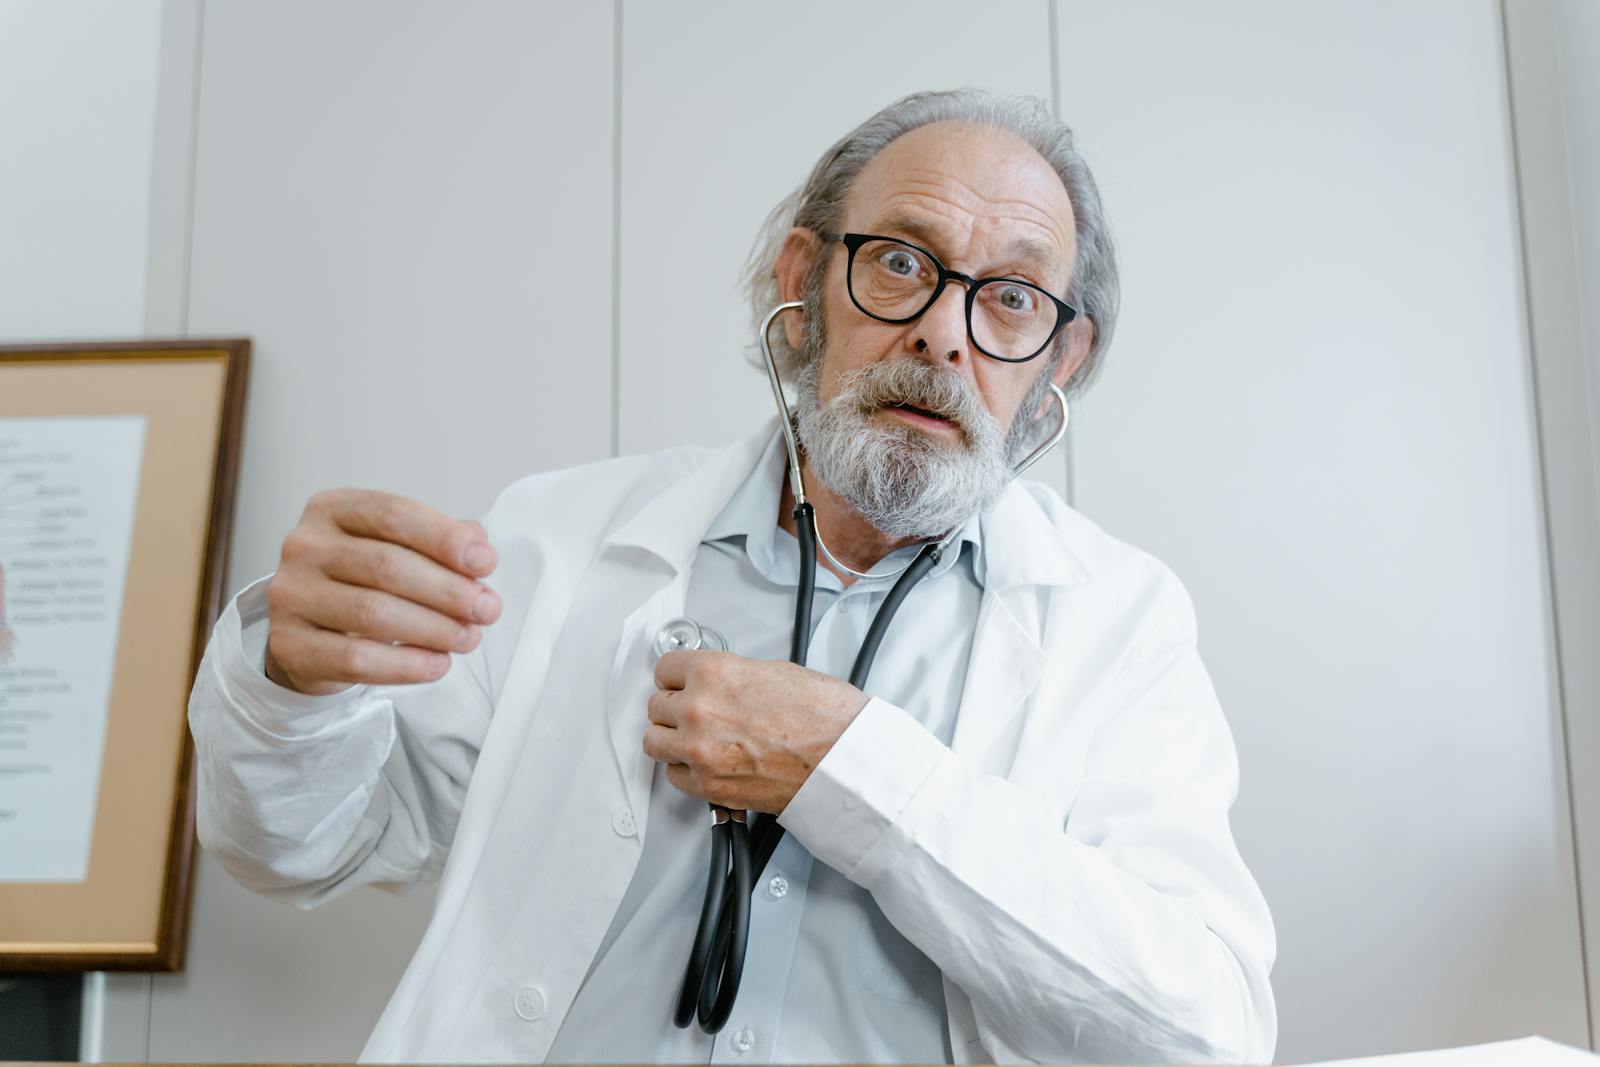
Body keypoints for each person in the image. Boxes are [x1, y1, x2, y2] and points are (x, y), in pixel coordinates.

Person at [187, 88, 1277, 1064]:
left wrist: (849, 765)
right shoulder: (560, 537)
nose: (946, 333)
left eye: (1010, 299)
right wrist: (291, 687)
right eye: (900, 261)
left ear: (1058, 360)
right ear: (801, 284)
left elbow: (1202, 1028)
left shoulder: (1119, 623)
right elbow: (301, 851)